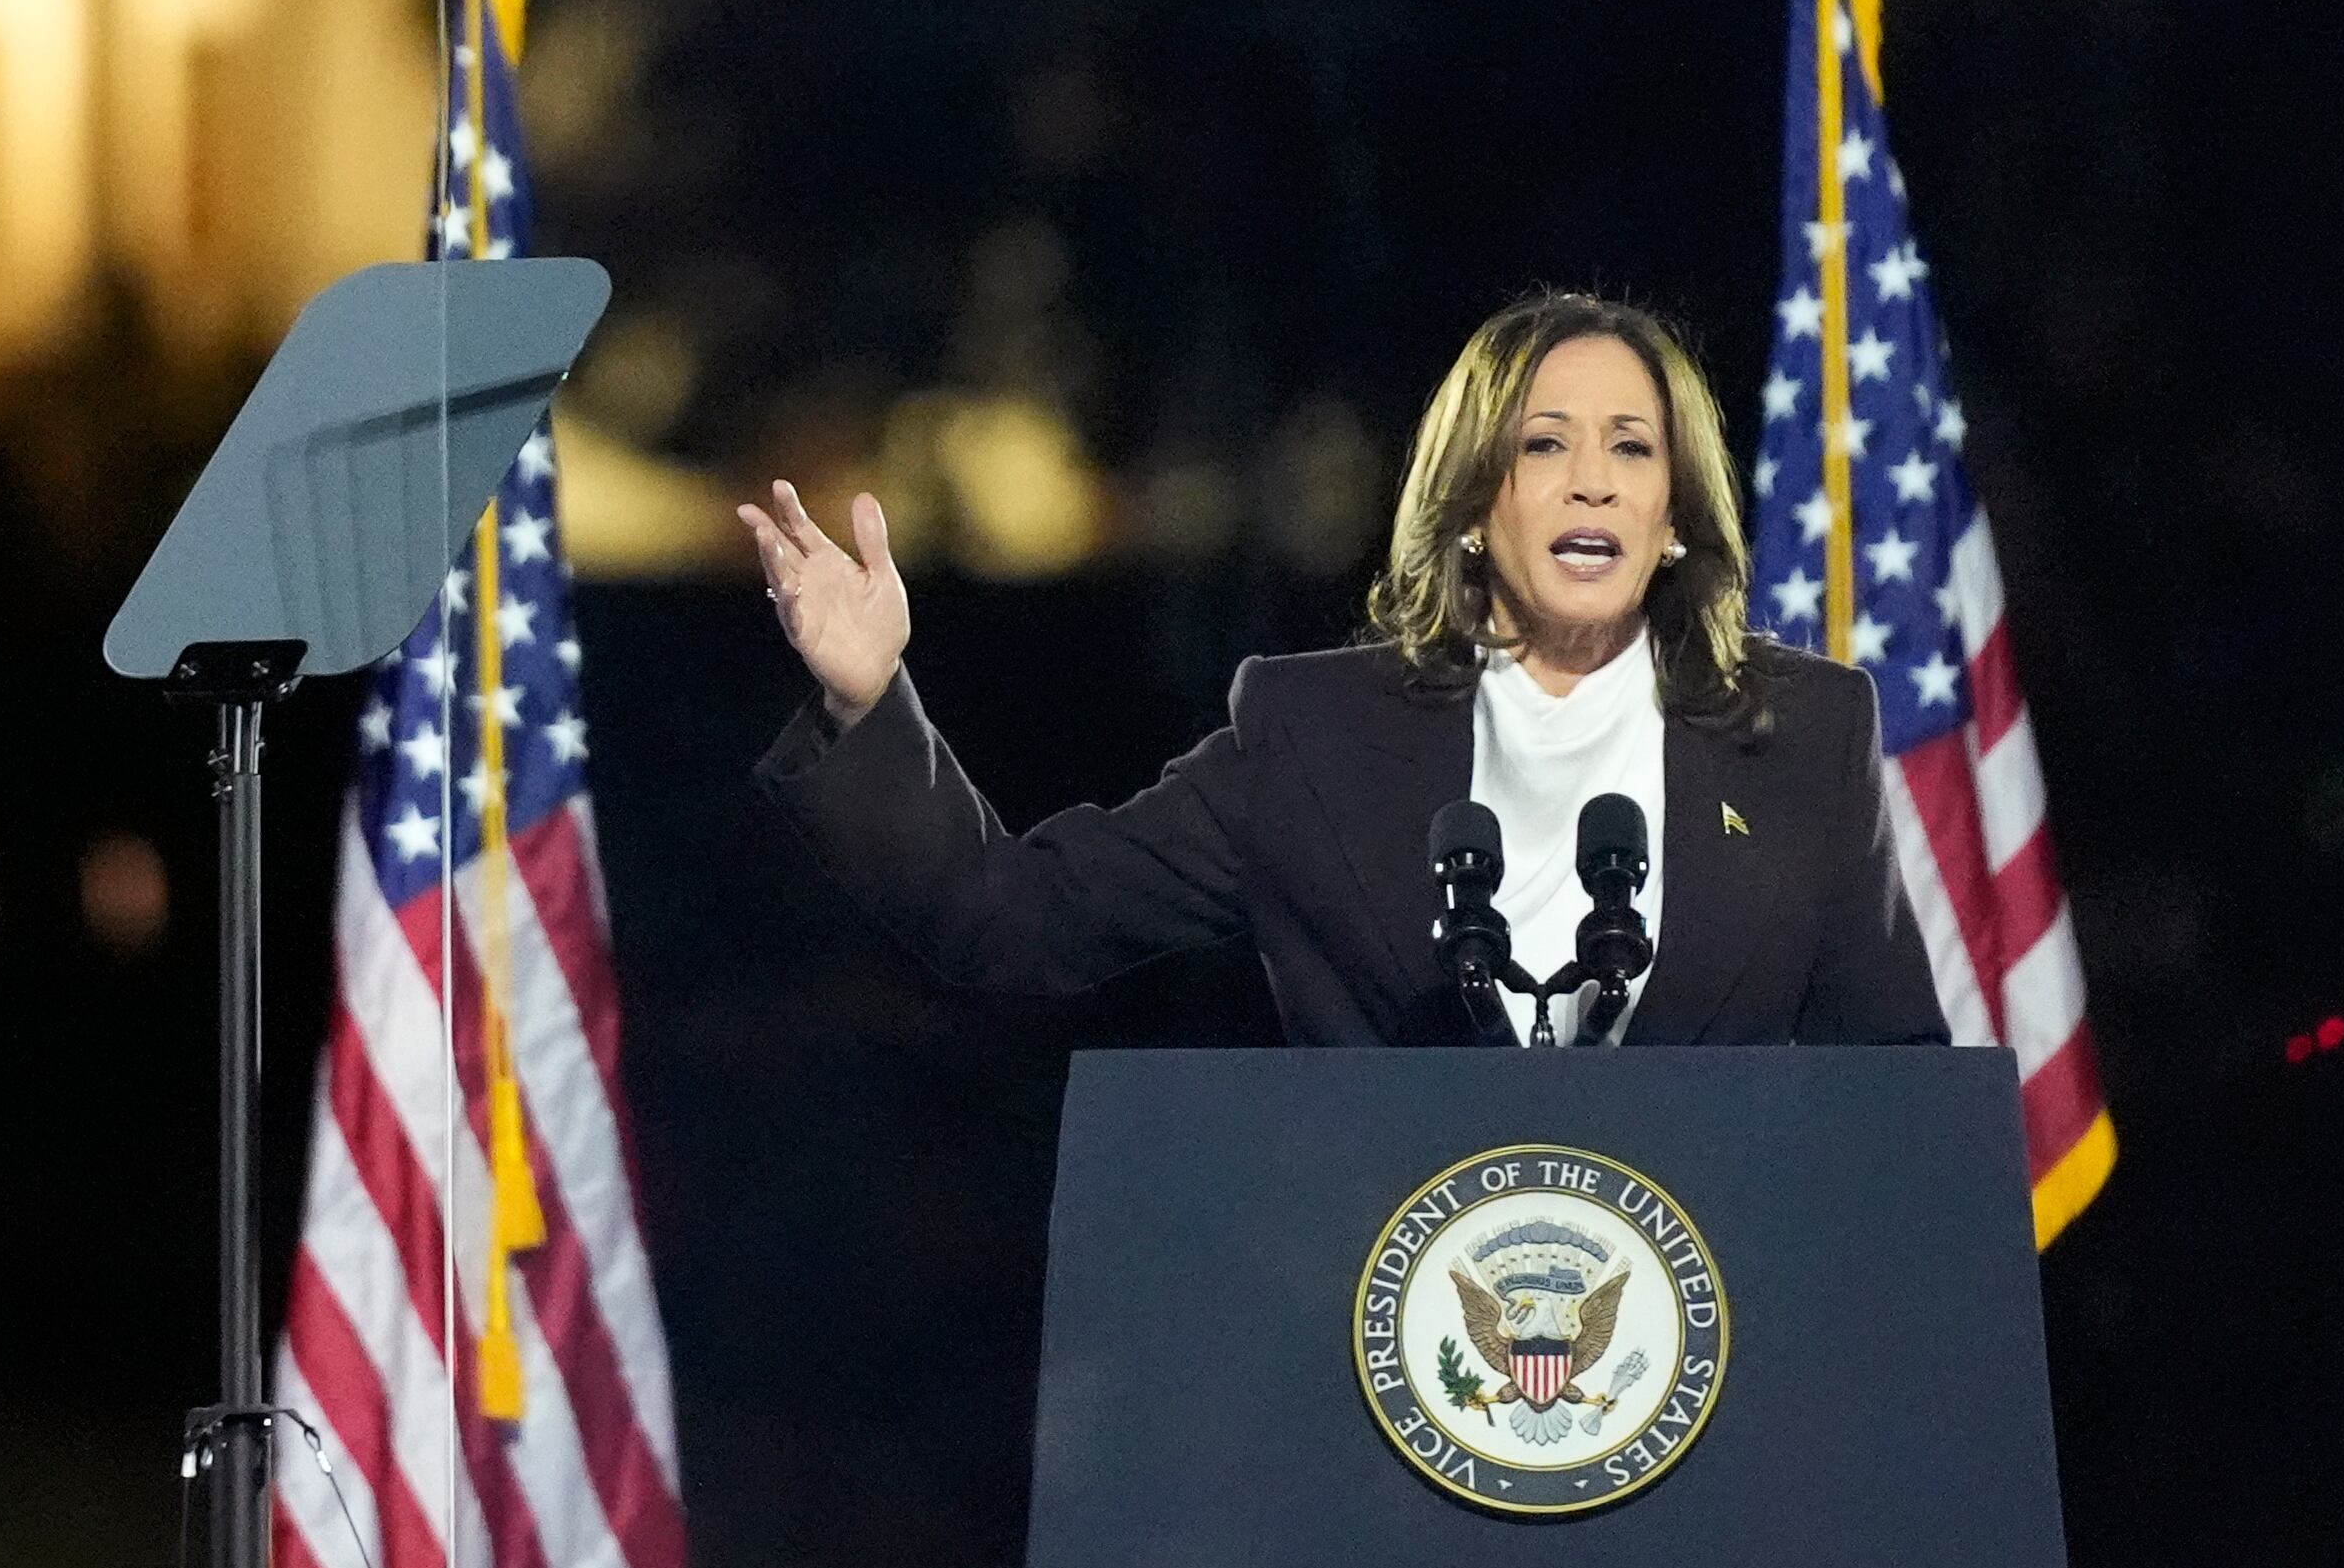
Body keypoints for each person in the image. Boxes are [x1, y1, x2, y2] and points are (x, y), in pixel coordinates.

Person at [737, 286, 1947, 1048]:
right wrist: (866, 695)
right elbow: (1008, 922)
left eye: (1631, 447)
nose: (1591, 478)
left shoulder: (1802, 737)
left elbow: (1889, 1105)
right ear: (1475, 504)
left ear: (1673, 511)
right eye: (1544, 445)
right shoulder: (1309, 739)